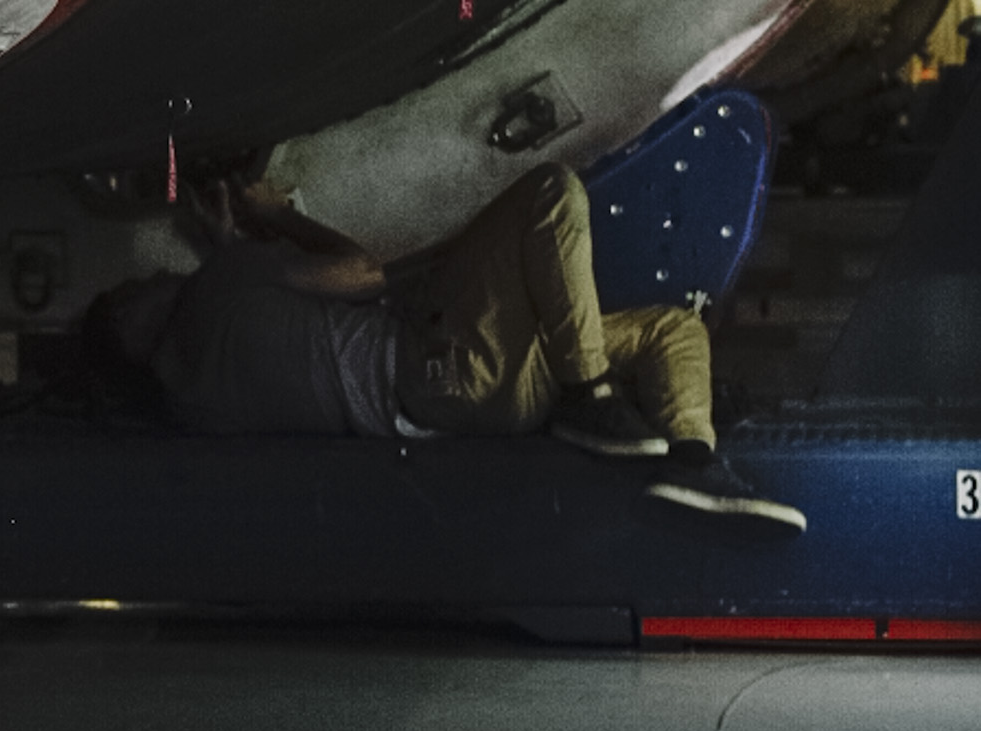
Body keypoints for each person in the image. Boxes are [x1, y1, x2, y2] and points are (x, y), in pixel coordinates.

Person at [87, 163, 803, 529]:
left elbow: (267, 346)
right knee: (551, 194)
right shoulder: (216, 287)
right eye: (135, 287)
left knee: (668, 330)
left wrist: (234, 254)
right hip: (444, 363)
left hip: (473, 402)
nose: (152, 272)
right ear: (130, 331)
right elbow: (362, 274)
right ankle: (591, 396)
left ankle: (693, 461)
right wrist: (277, 219)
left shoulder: (191, 406)